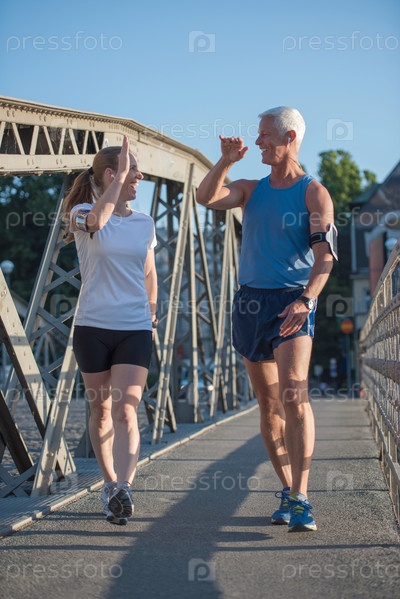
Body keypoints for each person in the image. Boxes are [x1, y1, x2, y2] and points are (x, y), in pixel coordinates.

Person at [196, 107, 335, 532]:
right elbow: (205, 198)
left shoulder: (314, 194)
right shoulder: (250, 189)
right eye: (257, 136)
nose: (257, 142)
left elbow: (325, 258)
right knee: (269, 404)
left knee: (293, 392)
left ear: (289, 137)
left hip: (291, 302)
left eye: (264, 136)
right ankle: (288, 490)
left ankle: (302, 497)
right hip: (250, 303)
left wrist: (307, 300)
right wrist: (224, 162)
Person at [63, 135, 158, 525]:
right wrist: (119, 178)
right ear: (109, 174)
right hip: (92, 327)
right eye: (133, 171)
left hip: (134, 328)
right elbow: (97, 223)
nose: (139, 177)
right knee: (101, 411)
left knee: (125, 409)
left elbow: (149, 272)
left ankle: (124, 488)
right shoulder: (81, 212)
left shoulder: (144, 222)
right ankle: (109, 483)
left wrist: (152, 312)